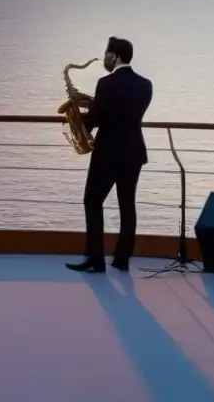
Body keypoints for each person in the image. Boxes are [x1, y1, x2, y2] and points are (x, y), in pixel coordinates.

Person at [66, 36, 153, 273]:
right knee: (128, 205)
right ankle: (122, 259)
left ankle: (96, 259)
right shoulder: (146, 85)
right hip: (134, 152)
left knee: (92, 201)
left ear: (115, 56)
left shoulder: (106, 84)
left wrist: (74, 113)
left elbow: (94, 121)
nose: (104, 58)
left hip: (107, 154)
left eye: (106, 54)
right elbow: (125, 113)